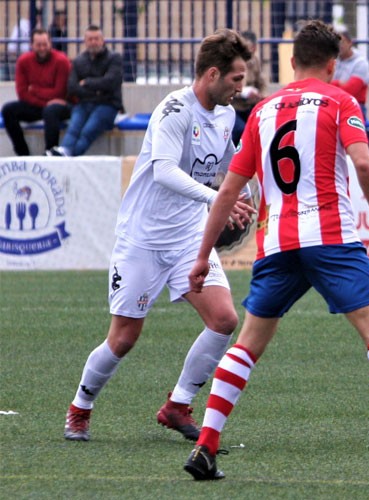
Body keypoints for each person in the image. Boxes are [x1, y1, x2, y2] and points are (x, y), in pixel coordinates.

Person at [181, 19, 369, 482]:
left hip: (276, 243)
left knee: (247, 345)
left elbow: (229, 190)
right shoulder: (340, 100)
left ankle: (206, 447)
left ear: (292, 62)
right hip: (330, 238)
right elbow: (365, 167)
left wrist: (202, 255)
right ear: (333, 64)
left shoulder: (263, 110)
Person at [63, 29, 256, 443]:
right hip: (143, 240)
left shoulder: (224, 115)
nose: (241, 87)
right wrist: (217, 198)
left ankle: (178, 405)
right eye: (236, 79)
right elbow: (163, 171)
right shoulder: (174, 110)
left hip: (188, 237)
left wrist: (248, 190)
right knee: (124, 338)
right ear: (212, 74)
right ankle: (80, 407)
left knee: (224, 320)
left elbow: (231, 162)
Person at [47, 25, 124, 157]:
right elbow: (72, 87)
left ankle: (68, 156)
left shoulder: (114, 58)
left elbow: (111, 83)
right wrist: (97, 91)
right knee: (73, 129)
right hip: (84, 104)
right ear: (85, 41)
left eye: (96, 39)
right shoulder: (79, 61)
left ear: (102, 40)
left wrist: (87, 83)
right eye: (90, 39)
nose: (93, 42)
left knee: (88, 131)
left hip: (108, 105)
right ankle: (64, 152)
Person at [1, 29, 71, 156]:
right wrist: (44, 99)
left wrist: (35, 90)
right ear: (31, 45)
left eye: (45, 44)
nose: (42, 48)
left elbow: (60, 92)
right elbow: (22, 93)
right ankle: (22, 154)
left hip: (58, 106)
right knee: (8, 110)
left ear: (50, 43)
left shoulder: (62, 61)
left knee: (51, 111)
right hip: (39, 104)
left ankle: (50, 152)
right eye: (38, 45)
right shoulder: (23, 61)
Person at [231, 30, 266, 146]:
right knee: (240, 130)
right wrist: (244, 93)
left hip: (250, 107)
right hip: (234, 107)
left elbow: (262, 83)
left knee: (261, 127)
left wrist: (260, 95)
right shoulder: (233, 62)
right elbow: (228, 86)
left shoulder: (255, 61)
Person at [331, 29, 369, 118]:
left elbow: (350, 91)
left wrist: (331, 84)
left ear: (350, 43)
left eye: (342, 42)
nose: (339, 45)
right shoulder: (333, 60)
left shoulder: (360, 63)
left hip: (355, 107)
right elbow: (322, 84)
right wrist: (339, 83)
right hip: (334, 104)